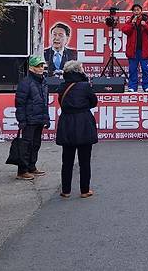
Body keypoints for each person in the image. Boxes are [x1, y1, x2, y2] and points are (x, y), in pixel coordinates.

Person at [56, 61, 98, 198]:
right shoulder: (85, 86)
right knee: (84, 160)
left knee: (67, 160)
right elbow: (93, 101)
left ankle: (66, 190)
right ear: (78, 71)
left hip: (66, 123)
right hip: (83, 123)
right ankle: (84, 190)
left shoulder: (62, 86)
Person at [15, 56, 50, 180]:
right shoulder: (25, 82)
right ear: (31, 68)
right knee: (26, 145)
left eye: (42, 66)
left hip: (39, 119)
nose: (41, 68)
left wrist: (46, 118)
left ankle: (31, 166)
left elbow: (45, 102)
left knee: (36, 144)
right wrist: (22, 120)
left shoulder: (44, 82)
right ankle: (22, 170)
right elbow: (19, 103)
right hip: (29, 120)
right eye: (38, 66)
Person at [120, 4, 148, 92]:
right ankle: (132, 87)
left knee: (145, 69)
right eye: (134, 10)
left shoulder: (147, 20)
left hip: (145, 51)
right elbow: (125, 30)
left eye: (138, 10)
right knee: (132, 69)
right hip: (133, 51)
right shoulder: (130, 21)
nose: (136, 11)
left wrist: (145, 25)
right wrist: (132, 24)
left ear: (141, 11)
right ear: (133, 12)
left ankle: (147, 86)